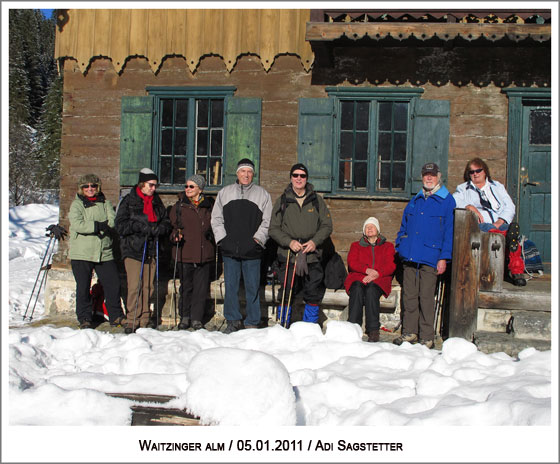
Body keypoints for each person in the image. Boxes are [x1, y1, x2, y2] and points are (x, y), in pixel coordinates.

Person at [394, 162, 455, 348]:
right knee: (409, 296)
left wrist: (443, 257)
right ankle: (410, 332)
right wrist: (401, 244)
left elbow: (449, 232)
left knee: (427, 297)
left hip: (431, 256)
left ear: (439, 177)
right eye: (426, 175)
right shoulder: (416, 199)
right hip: (410, 255)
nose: (429, 178)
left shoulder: (446, 201)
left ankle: (427, 336)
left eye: (432, 175)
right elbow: (404, 226)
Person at [211, 158, 272, 334]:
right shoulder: (225, 193)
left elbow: (267, 221)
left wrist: (258, 240)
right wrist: (222, 240)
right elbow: (216, 219)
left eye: (249, 172)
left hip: (252, 249)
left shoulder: (262, 194)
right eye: (243, 171)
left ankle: (253, 320)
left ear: (253, 174)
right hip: (230, 249)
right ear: (237, 173)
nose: (246, 175)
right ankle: (233, 319)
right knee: (231, 286)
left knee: (253, 286)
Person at [269, 163, 333, 325]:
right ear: (291, 178)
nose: (299, 178)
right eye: (295, 175)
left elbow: (327, 226)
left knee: (312, 292)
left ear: (306, 179)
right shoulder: (283, 201)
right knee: (287, 291)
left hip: (312, 255)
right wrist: (289, 242)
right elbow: (273, 228)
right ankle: (284, 325)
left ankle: (309, 327)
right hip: (289, 255)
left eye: (302, 176)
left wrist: (314, 242)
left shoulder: (316, 200)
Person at [453, 157, 526, 286]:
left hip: (499, 223)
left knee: (510, 232)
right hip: (480, 225)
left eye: (478, 170)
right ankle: (516, 271)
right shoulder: (463, 189)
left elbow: (510, 206)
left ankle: (517, 271)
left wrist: (500, 221)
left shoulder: (497, 186)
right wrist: (469, 206)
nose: (475, 174)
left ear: (485, 171)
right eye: (472, 172)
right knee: (503, 233)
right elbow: (454, 201)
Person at [115, 168, 170, 333]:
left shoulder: (156, 202)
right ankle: (132, 318)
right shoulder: (129, 201)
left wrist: (160, 229)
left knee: (148, 286)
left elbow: (165, 222)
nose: (153, 188)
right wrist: (137, 226)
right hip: (133, 249)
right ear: (142, 183)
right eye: (151, 185)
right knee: (135, 286)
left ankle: (145, 317)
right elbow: (120, 225)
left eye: (155, 185)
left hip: (152, 248)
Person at [68, 174, 126, 329]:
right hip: (82, 251)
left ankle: (116, 316)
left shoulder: (105, 202)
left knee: (112, 283)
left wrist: (103, 225)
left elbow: (112, 220)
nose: (90, 189)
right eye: (86, 186)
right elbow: (78, 224)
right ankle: (85, 318)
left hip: (103, 251)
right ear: (81, 188)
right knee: (83, 286)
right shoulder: (77, 205)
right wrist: (98, 226)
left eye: (93, 186)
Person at [169, 174, 215, 331]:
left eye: (191, 186)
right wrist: (175, 235)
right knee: (186, 287)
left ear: (200, 189)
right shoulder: (179, 207)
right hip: (185, 252)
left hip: (204, 253)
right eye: (186, 186)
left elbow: (216, 224)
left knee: (201, 289)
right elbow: (172, 227)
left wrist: (212, 235)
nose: (187, 189)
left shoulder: (209, 205)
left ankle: (196, 318)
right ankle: (185, 316)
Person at [345, 217, 396, 342]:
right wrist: (367, 271)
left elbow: (391, 265)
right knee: (356, 288)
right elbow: (352, 262)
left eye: (372, 226)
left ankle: (373, 330)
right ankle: (353, 326)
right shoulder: (356, 246)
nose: (369, 229)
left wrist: (377, 273)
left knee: (371, 290)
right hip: (359, 276)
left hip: (379, 279)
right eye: (367, 227)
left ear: (378, 229)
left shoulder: (388, 246)